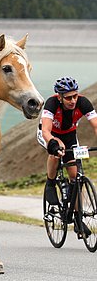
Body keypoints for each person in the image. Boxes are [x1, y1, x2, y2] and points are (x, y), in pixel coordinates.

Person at [38, 76, 97, 236]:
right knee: (57, 152)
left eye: (75, 96)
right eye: (69, 97)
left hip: (70, 134)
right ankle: (50, 184)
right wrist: (53, 144)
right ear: (60, 97)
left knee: (76, 176)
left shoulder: (83, 103)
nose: (73, 100)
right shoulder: (51, 103)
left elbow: (96, 125)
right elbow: (45, 131)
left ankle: (78, 220)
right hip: (50, 135)